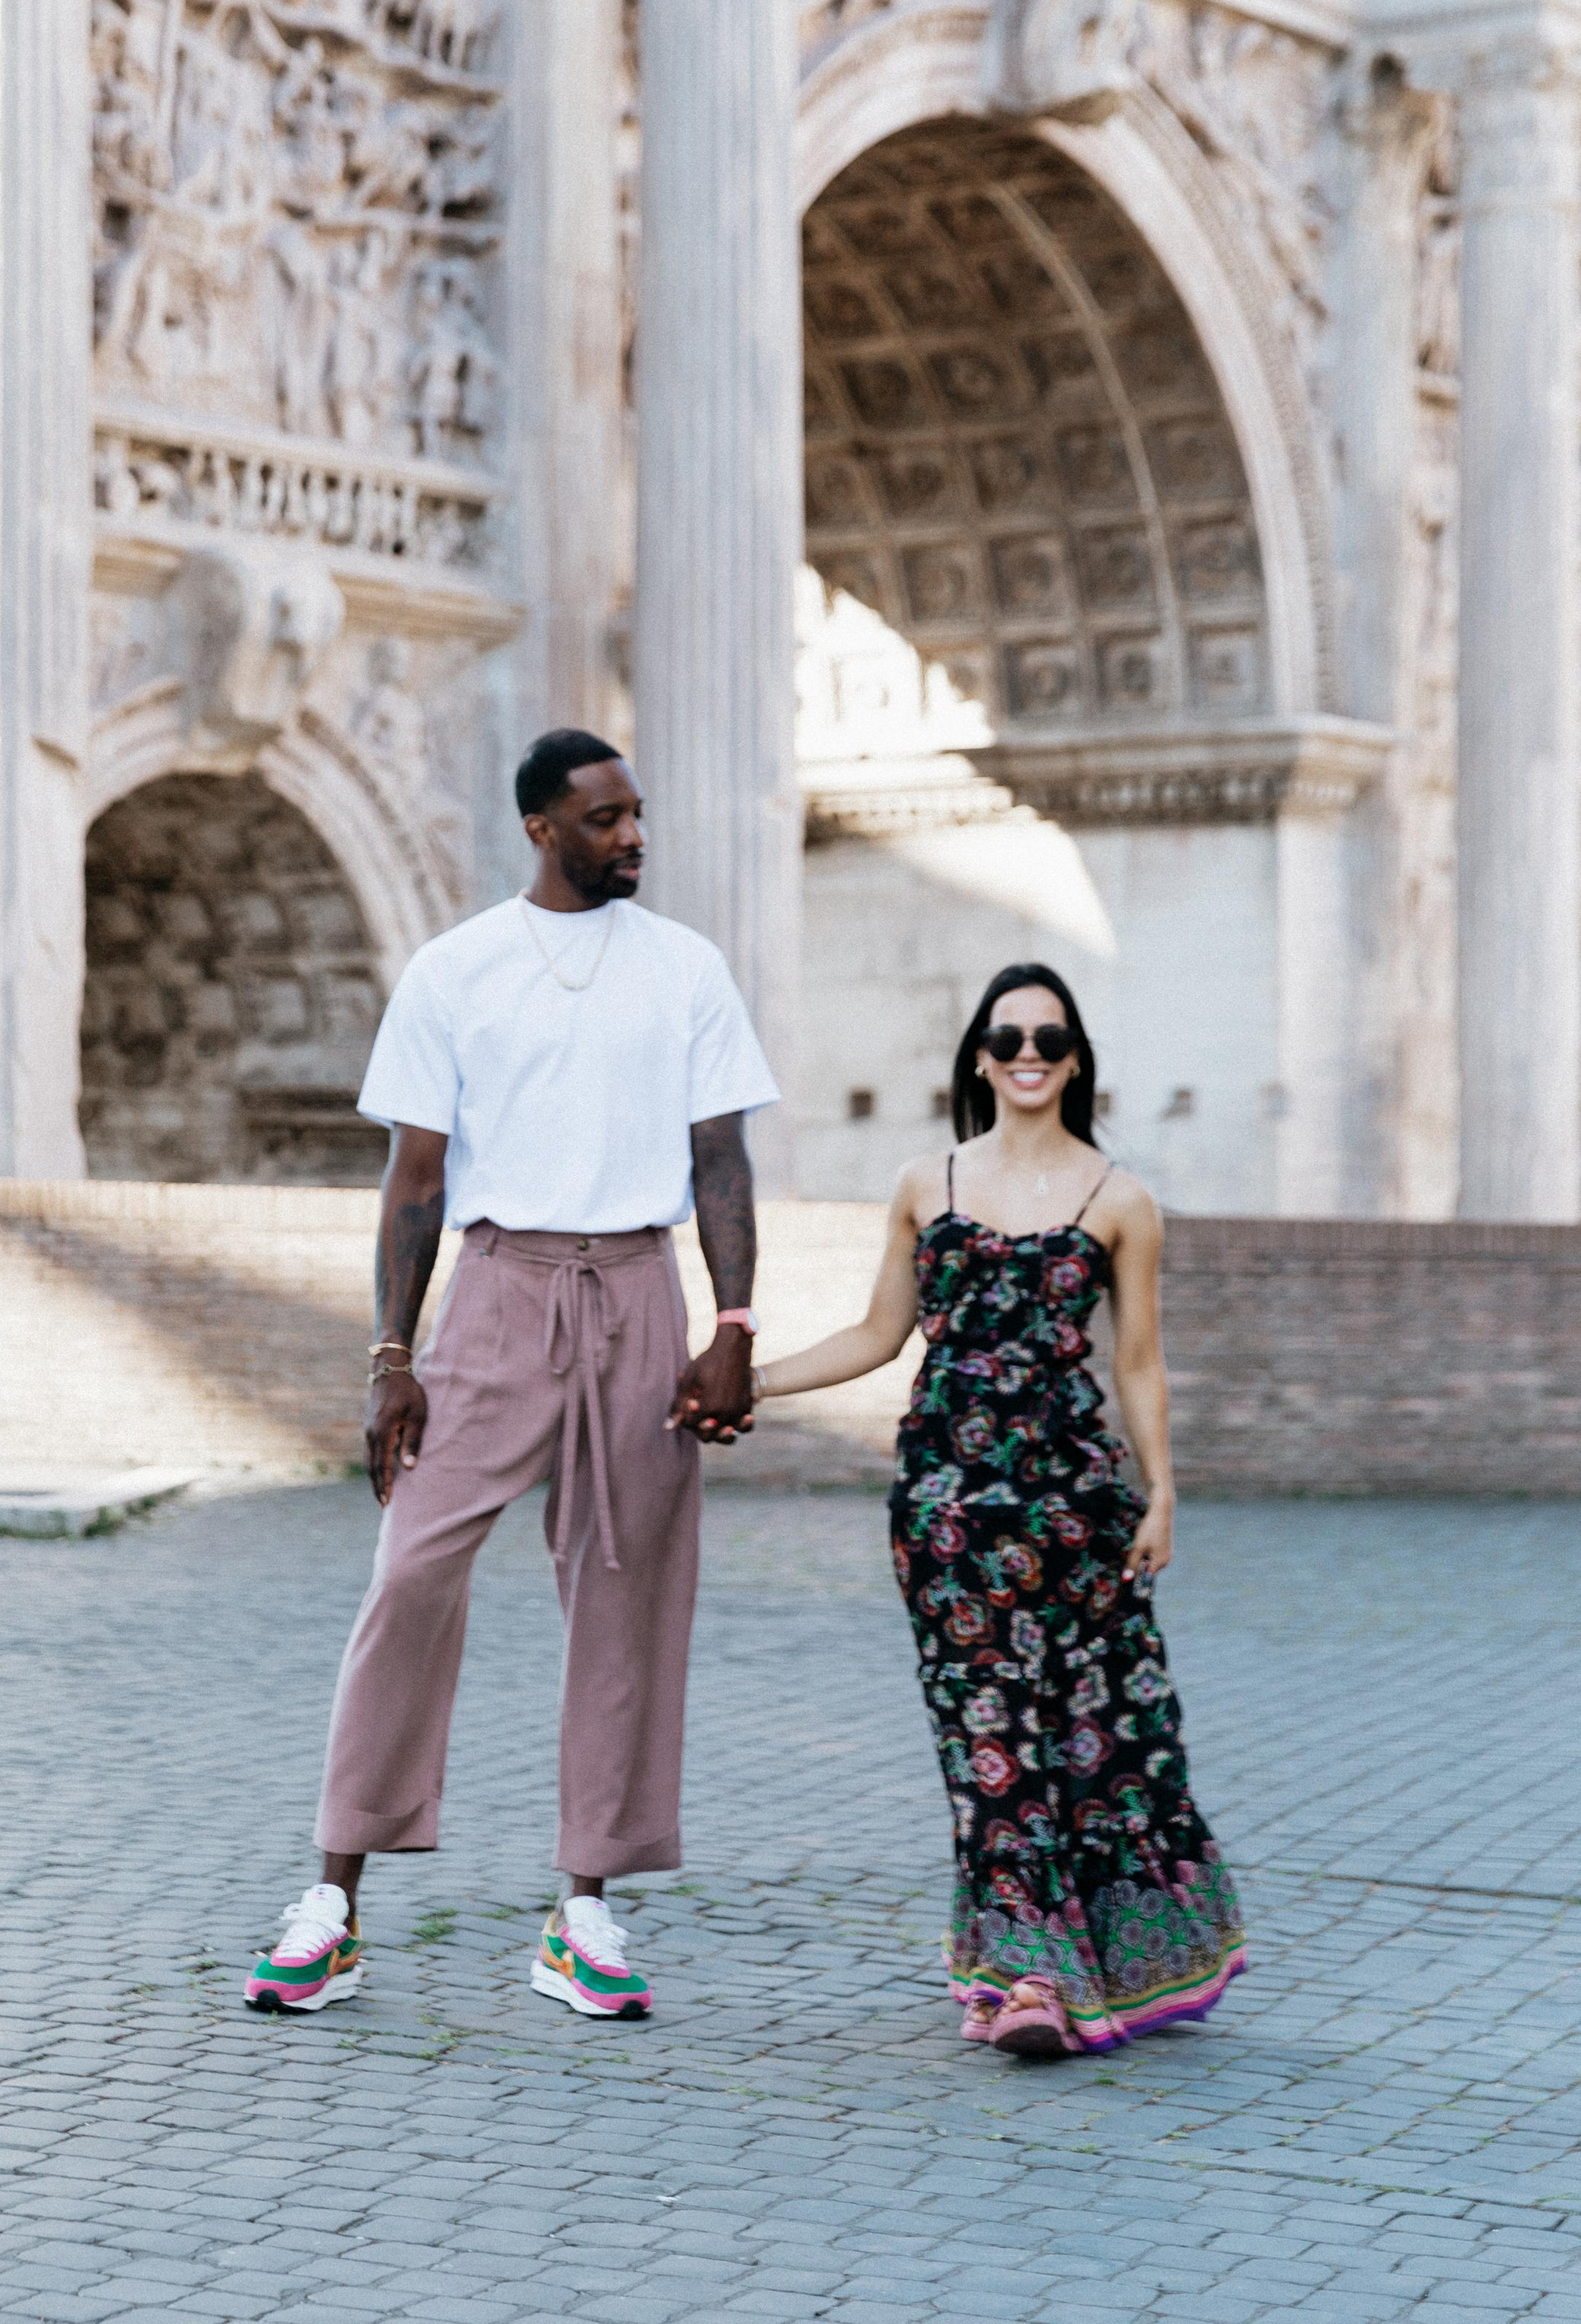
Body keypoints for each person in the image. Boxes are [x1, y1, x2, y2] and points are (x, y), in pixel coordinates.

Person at [246, 728, 778, 2023]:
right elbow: (414, 1181)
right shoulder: (457, 971)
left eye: (638, 814)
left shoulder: (688, 970)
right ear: (543, 827)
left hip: (640, 1290)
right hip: (494, 1292)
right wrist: (390, 1357)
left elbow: (720, 1162)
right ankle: (332, 1901)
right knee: (414, 1569)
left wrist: (734, 1325)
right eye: (606, 819)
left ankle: (586, 1906)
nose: (634, 836)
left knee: (628, 1591)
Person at [752, 962, 1245, 2057]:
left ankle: (1111, 1956)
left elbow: (1141, 1365)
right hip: (948, 1513)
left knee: (1100, 1734)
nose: (1029, 1055)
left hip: (1077, 1508)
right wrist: (755, 1381)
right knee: (986, 1732)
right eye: (1009, 1037)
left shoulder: (1120, 1200)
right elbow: (878, 1335)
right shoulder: (924, 1182)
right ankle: (1031, 1978)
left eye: (1050, 1042)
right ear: (979, 1055)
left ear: (1076, 1063)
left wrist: (1162, 1492)